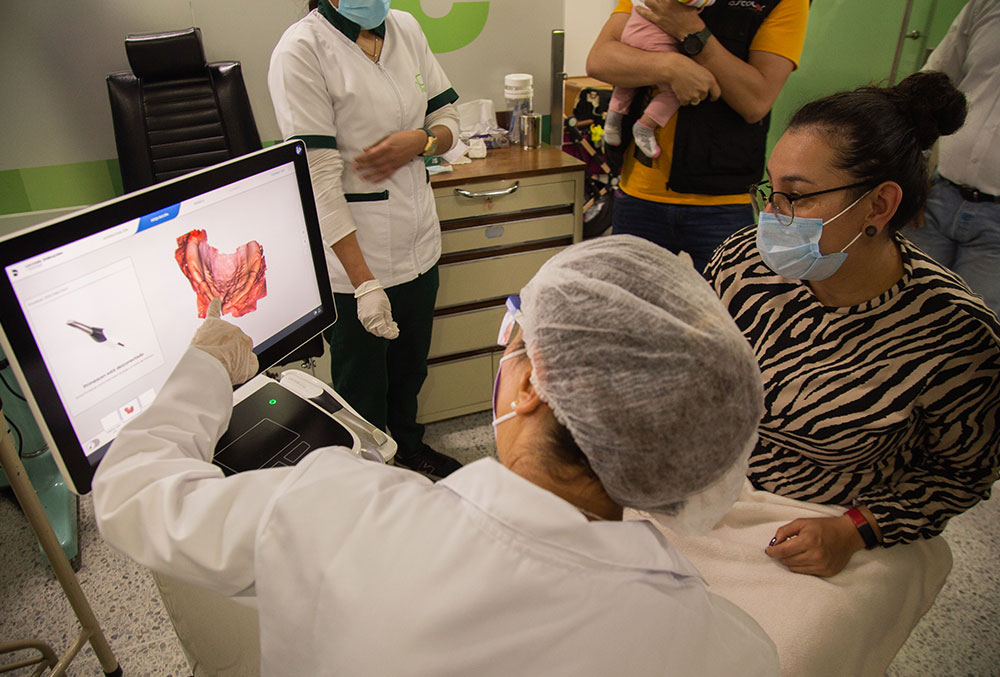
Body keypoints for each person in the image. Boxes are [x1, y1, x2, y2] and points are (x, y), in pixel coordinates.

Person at [92, 236, 779, 675]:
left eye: (515, 329)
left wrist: (206, 368)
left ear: (533, 383)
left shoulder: (342, 511)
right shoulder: (732, 648)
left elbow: (132, 493)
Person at [640, 72, 1000, 676]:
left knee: (778, 659)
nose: (775, 218)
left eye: (799, 197)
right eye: (771, 193)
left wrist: (858, 530)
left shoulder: (955, 339)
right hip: (704, 486)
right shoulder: (743, 266)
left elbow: (959, 475)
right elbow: (697, 369)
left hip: (824, 524)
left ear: (879, 206)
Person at [268, 0, 462, 478]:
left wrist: (421, 141)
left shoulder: (405, 28)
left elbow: (450, 118)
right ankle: (375, 483)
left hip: (419, 243)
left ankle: (410, 450)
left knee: (410, 372)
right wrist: (365, 285)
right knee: (363, 391)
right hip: (356, 262)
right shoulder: (302, 49)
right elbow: (318, 180)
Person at [587, 0, 808, 272]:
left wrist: (691, 31)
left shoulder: (784, 3)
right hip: (640, 192)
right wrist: (671, 66)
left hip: (724, 199)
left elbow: (756, 100)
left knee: (723, 309)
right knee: (629, 308)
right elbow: (599, 60)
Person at [903, 0, 1000, 318]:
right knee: (901, 307)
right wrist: (911, 179)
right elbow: (928, 90)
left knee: (974, 334)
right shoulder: (986, 6)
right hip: (937, 196)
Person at [603, 0, 715, 160]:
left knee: (627, 82)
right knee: (675, 91)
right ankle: (646, 125)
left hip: (631, 33)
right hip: (655, 40)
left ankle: (612, 121)